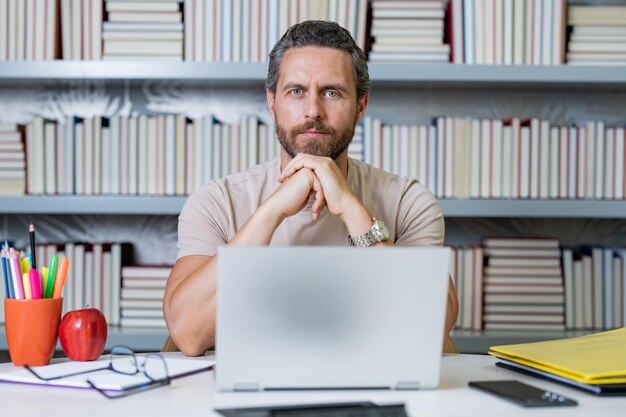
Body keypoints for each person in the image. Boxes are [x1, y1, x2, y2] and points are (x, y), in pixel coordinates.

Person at [163, 20, 459, 356]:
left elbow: (435, 327)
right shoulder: (216, 202)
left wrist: (352, 210)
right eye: (296, 91)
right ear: (272, 102)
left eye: (332, 92)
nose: (313, 111)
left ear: (360, 106)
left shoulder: (408, 201)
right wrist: (271, 212)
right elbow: (187, 332)